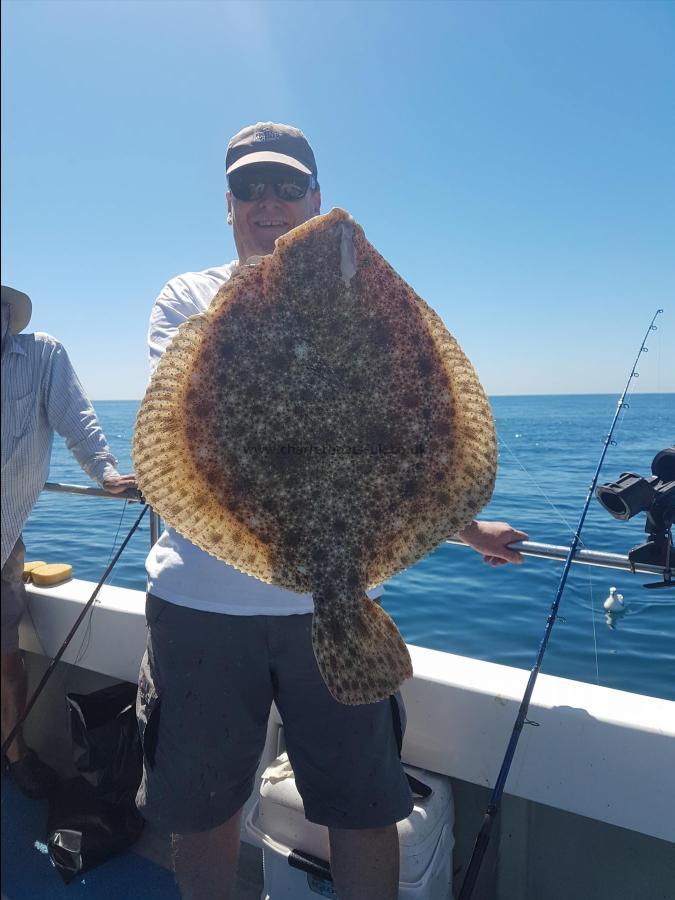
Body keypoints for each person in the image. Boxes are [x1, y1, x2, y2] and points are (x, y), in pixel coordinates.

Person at [136, 122, 528, 900]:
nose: (270, 203)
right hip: (203, 605)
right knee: (204, 810)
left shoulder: (377, 308)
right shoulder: (191, 295)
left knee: (362, 807)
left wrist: (462, 523)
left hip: (345, 591)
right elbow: (192, 427)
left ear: (314, 196)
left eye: (288, 188)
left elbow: (402, 431)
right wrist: (279, 286)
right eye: (251, 189)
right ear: (229, 205)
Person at [1, 285, 135, 798]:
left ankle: (16, 755)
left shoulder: (41, 354)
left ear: (8, 313)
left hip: (4, 542)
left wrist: (105, 473)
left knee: (6, 658)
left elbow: (76, 419)